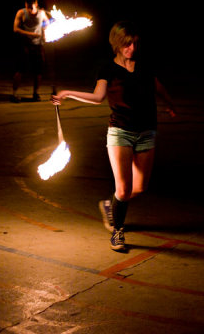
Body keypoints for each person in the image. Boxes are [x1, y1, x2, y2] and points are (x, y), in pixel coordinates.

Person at [52, 21, 176, 252]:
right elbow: (98, 97)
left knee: (139, 188)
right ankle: (118, 232)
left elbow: (158, 87)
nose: (131, 48)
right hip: (120, 132)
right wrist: (68, 93)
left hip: (147, 131)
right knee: (123, 189)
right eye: (127, 44)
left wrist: (170, 104)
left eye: (134, 44)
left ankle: (110, 205)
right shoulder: (107, 69)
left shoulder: (144, 66)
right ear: (117, 45)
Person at [11, 0, 49, 102]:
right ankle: (14, 94)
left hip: (38, 45)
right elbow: (15, 29)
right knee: (20, 69)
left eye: (32, 6)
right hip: (25, 45)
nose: (30, 9)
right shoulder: (21, 13)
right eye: (28, 6)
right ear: (25, 4)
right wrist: (31, 34)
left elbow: (46, 23)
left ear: (36, 4)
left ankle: (35, 94)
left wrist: (45, 31)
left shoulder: (42, 13)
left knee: (39, 71)